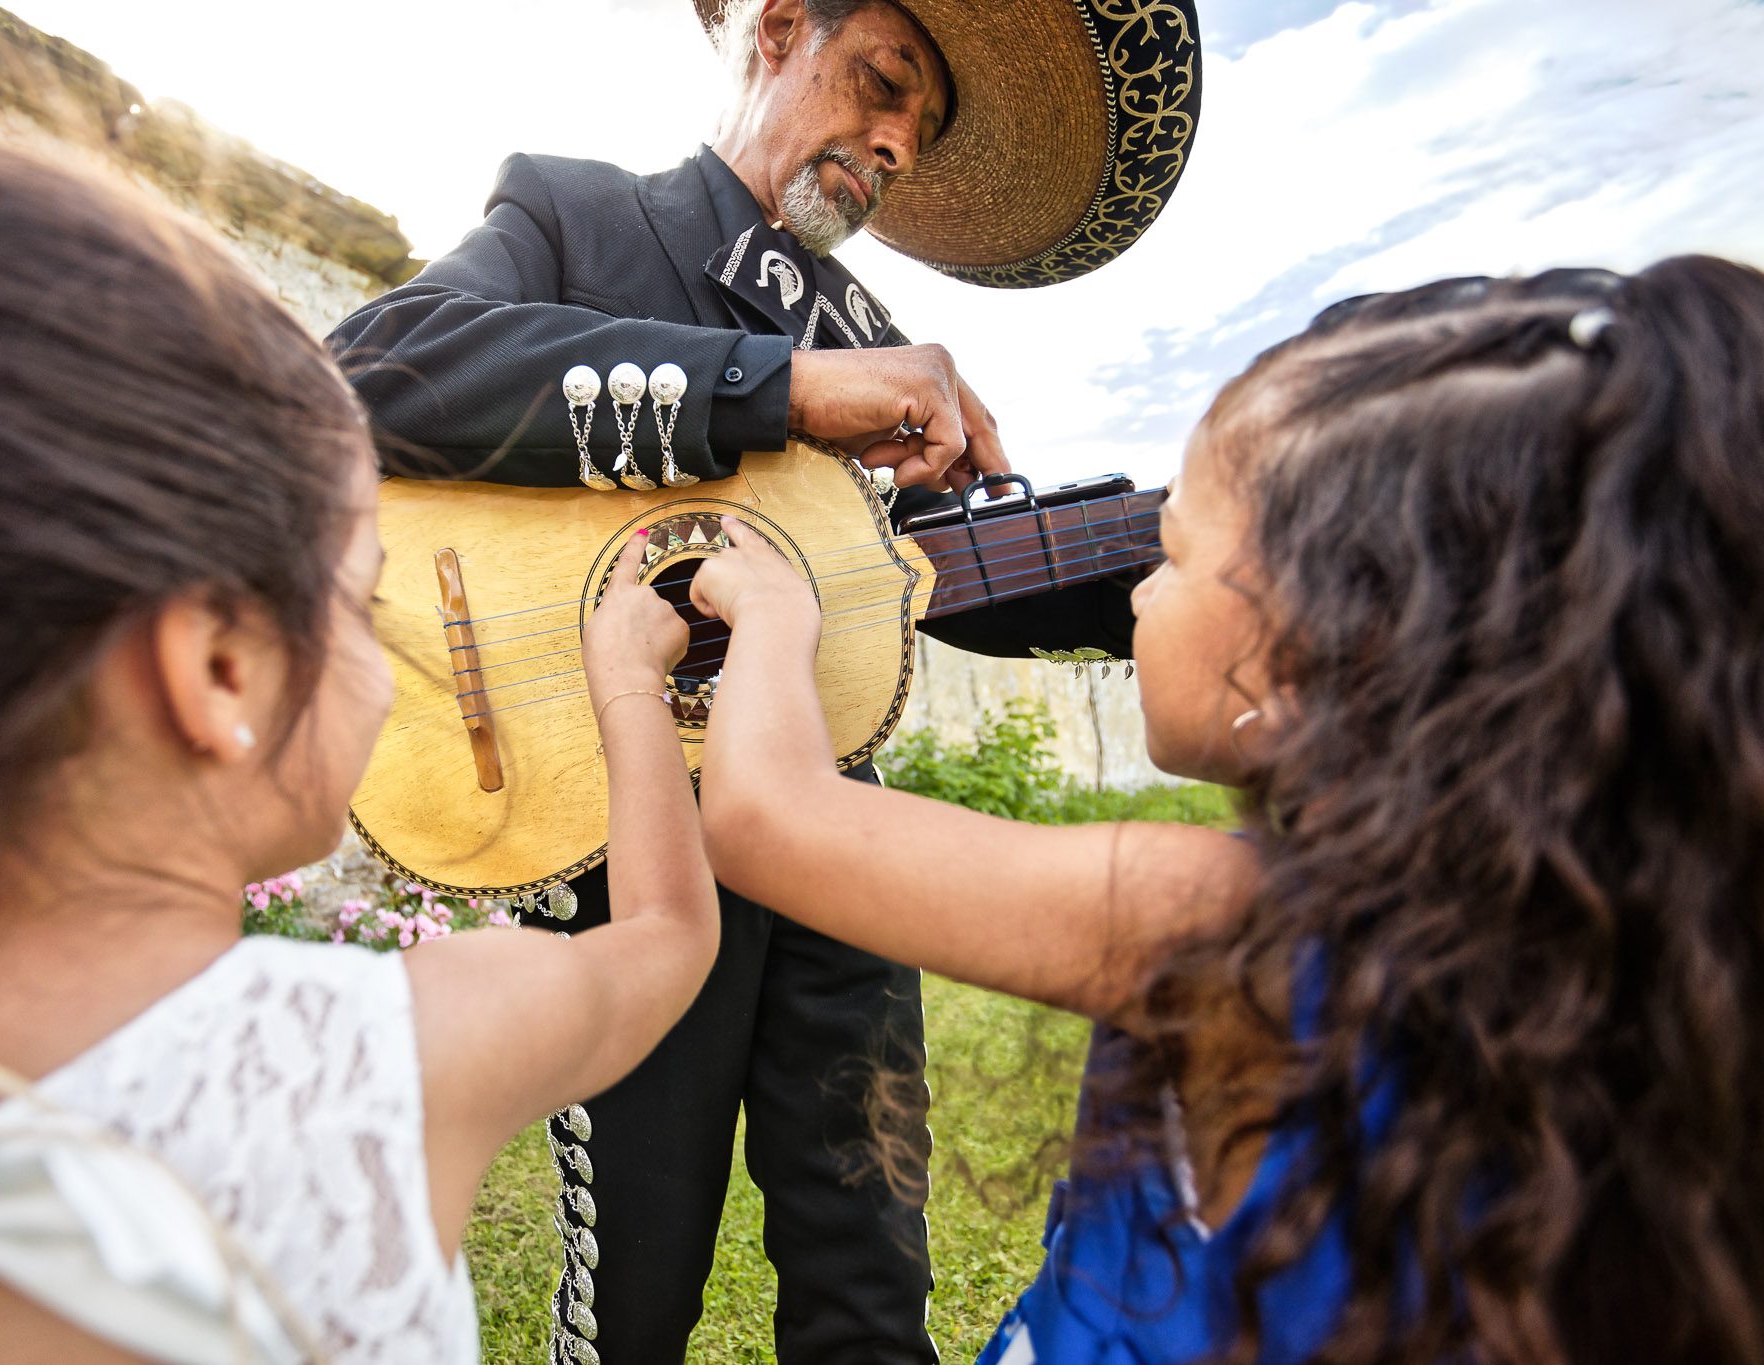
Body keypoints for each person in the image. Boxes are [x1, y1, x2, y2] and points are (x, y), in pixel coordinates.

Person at [0, 35, 722, 1364]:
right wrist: (626, 685)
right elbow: (661, 940)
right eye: (360, 603)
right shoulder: (391, 1056)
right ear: (222, 670)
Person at [688, 255, 1764, 1362]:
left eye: (1174, 552)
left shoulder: (1221, 931)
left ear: (1311, 654)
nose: (1140, 592)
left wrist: (771, 612)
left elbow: (769, 817)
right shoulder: (1634, 981)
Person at [325, 1, 1201, 1357]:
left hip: (838, 856)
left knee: (870, 1275)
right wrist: (780, 390)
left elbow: (894, 595)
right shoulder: (580, 215)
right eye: (885, 81)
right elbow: (384, 365)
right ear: (782, 26)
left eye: (923, 127)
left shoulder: (878, 333)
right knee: (638, 1288)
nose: (898, 139)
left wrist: (1188, 552)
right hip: (621, 852)